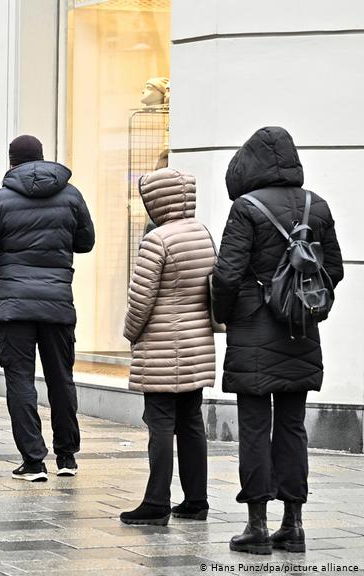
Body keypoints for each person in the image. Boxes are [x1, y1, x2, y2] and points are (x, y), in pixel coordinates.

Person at [212, 127, 343, 555]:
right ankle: (294, 523)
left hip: (253, 329)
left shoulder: (245, 208)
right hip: (301, 329)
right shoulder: (316, 205)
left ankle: (256, 525)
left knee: (254, 427)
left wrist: (228, 314)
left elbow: (227, 275)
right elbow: (334, 270)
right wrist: (297, 300)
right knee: (292, 427)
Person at [0, 134, 95, 481]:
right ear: (42, 158)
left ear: (12, 162)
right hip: (57, 302)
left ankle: (34, 461)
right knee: (61, 379)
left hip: (13, 306)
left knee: (20, 381)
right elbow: (86, 242)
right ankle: (67, 457)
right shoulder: (71, 195)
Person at [118, 168, 215, 526]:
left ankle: (156, 501)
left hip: (160, 347)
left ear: (157, 200)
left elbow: (140, 302)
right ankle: (196, 501)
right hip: (195, 343)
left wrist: (130, 334)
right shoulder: (202, 233)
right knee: (191, 421)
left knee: (159, 423)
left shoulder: (157, 240)